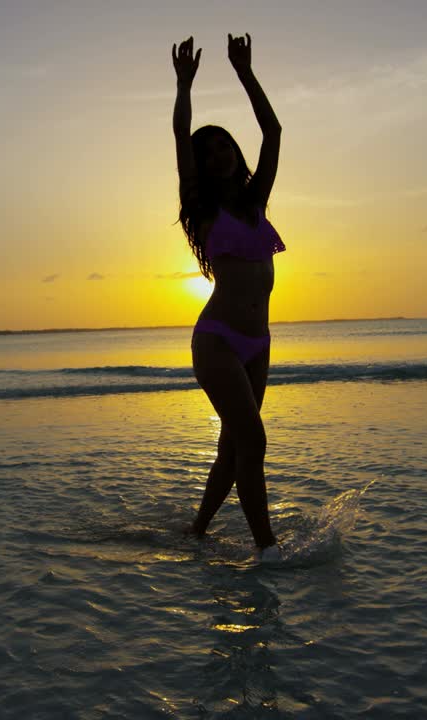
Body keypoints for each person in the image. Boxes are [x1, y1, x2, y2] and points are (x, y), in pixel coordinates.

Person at [173, 33, 285, 562]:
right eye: (207, 150)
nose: (218, 155)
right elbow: (179, 134)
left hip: (258, 341)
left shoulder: (256, 199)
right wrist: (184, 85)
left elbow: (273, 130)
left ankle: (197, 533)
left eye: (223, 145)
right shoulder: (201, 208)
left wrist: (245, 72)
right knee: (254, 442)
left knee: (233, 447)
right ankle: (268, 549)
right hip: (217, 341)